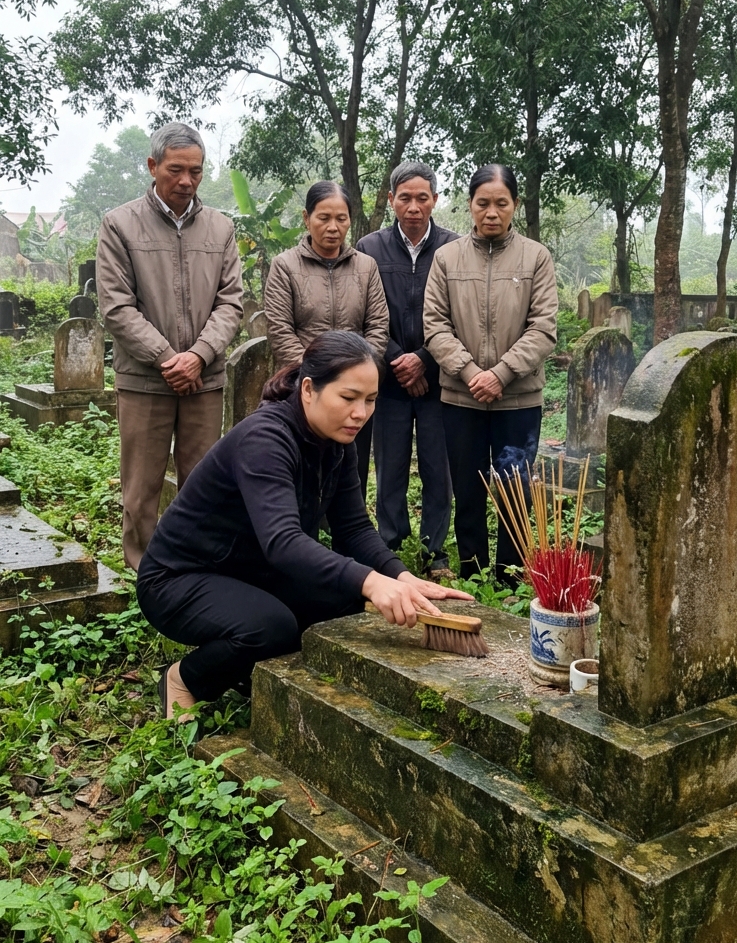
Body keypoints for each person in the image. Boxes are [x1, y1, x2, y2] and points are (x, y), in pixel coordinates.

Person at [136, 332, 473, 716]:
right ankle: (186, 678)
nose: (360, 413)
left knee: (345, 599)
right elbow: (283, 542)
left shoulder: (338, 441)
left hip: (254, 569)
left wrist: (399, 575)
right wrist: (371, 581)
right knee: (271, 627)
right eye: (348, 398)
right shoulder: (265, 439)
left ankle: (248, 670)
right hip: (179, 578)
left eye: (370, 400)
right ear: (309, 389)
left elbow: (353, 529)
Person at [96, 122, 243, 570]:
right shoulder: (120, 224)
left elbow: (230, 303)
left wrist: (198, 356)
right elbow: (116, 307)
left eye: (195, 171)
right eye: (175, 170)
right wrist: (167, 359)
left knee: (202, 480)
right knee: (141, 485)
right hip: (144, 379)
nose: (186, 181)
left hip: (204, 379)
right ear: (152, 166)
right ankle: (144, 570)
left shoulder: (220, 228)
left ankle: (194, 567)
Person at [423, 164, 558, 583]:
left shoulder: (536, 257)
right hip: (460, 398)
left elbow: (543, 328)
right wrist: (469, 372)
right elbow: (435, 325)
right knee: (467, 488)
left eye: (501, 203)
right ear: (470, 205)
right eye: (483, 203)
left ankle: (510, 575)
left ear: (515, 204)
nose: (492, 212)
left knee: (515, 490)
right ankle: (474, 572)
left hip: (517, 399)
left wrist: (500, 374)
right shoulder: (447, 258)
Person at [357, 160, 457, 577]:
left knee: (438, 467)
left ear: (434, 200)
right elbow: (366, 314)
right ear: (391, 200)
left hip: (438, 379)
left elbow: (458, 316)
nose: (413, 207)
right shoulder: (369, 248)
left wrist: (425, 360)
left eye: (422, 198)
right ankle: (390, 544)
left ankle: (436, 552)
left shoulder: (453, 248)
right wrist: (400, 360)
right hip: (388, 378)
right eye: (405, 198)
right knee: (390, 466)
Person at [264, 181, 389, 490]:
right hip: (304, 389)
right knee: (302, 472)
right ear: (307, 219)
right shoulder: (285, 266)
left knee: (350, 473)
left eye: (341, 218)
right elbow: (280, 330)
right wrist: (315, 378)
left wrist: (356, 378)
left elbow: (378, 325)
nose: (333, 227)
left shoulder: (366, 267)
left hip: (354, 393)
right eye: (324, 218)